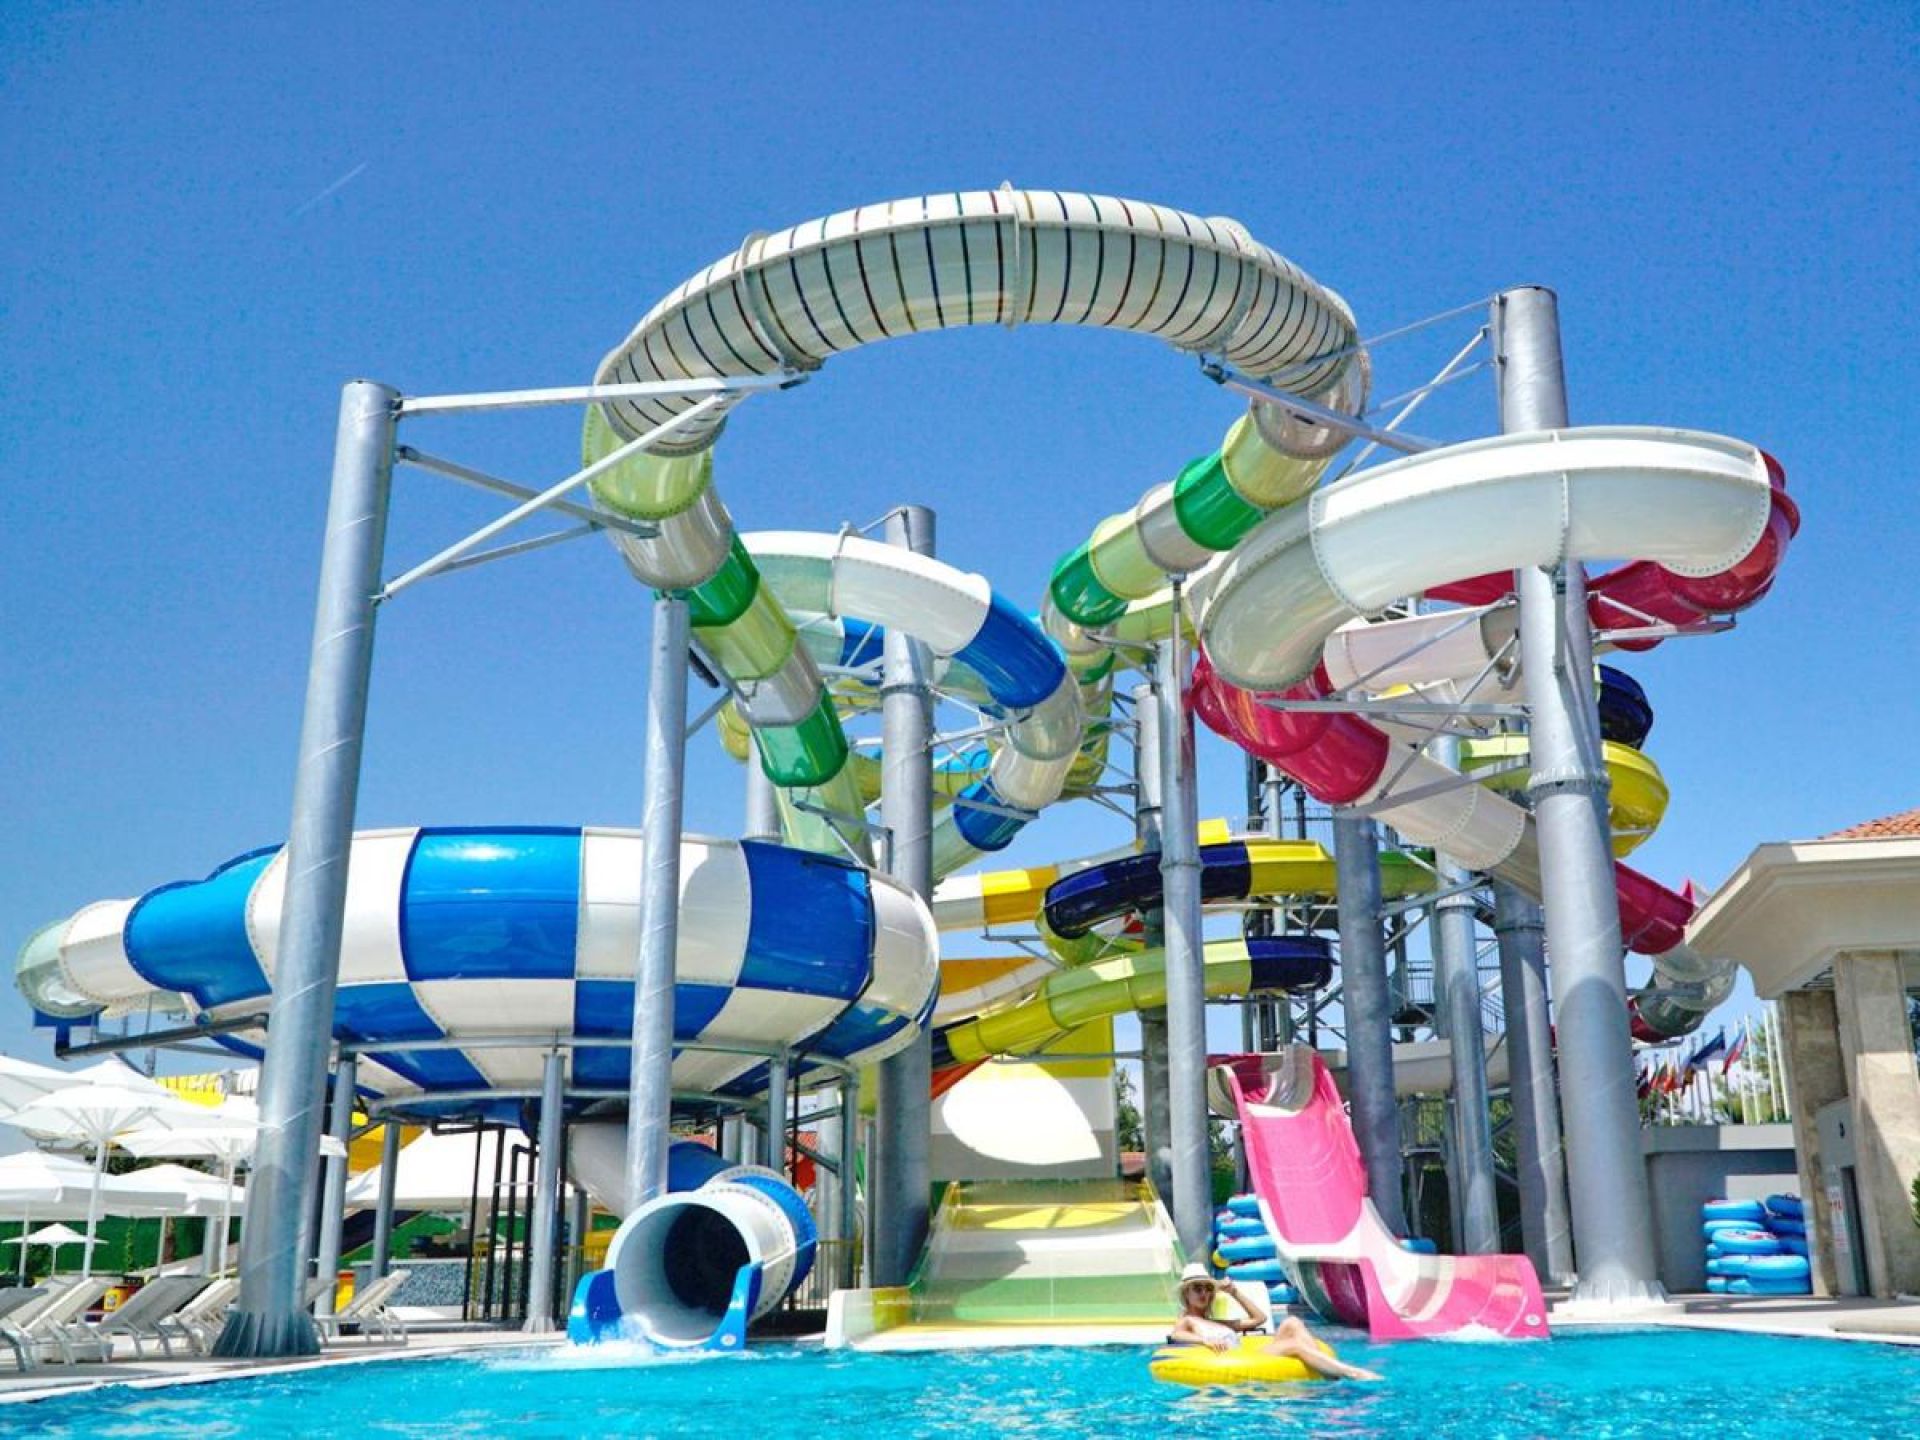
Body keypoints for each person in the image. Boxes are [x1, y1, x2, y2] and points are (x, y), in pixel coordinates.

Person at [1168, 1262, 1382, 1381]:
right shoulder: (1188, 1320)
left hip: (1249, 1355)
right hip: (1237, 1361)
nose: (1204, 1293)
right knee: (1294, 1345)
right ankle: (1350, 1372)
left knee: (1292, 1322)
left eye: (1208, 1288)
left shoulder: (1219, 1323)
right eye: (1197, 1288)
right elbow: (1177, 1334)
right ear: (1187, 1293)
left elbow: (1259, 1319)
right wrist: (1204, 1340)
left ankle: (1321, 1370)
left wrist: (1235, 1293)